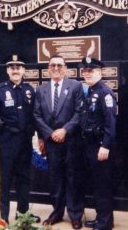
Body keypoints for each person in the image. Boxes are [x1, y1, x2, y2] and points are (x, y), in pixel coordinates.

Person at [0, 54, 40, 227]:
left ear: (23, 70)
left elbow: (35, 116)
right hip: (6, 140)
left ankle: (23, 214)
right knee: (5, 179)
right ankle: (4, 217)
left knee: (24, 178)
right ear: (8, 70)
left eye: (18, 67)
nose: (15, 70)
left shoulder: (30, 90)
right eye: (12, 67)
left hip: (25, 141)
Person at [33, 55, 84, 230]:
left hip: (71, 141)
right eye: (52, 65)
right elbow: (37, 115)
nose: (56, 68)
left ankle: (75, 215)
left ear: (65, 68)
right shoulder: (41, 90)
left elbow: (79, 112)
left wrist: (64, 130)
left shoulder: (75, 86)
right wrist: (48, 134)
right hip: (51, 143)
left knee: (73, 178)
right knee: (55, 179)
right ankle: (56, 212)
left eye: (59, 65)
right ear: (48, 68)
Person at [80, 57, 116, 230]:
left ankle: (105, 222)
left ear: (100, 72)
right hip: (90, 144)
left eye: (91, 71)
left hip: (100, 144)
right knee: (96, 183)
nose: (87, 73)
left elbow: (110, 122)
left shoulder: (105, 92)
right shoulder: (90, 91)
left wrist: (106, 145)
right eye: (85, 71)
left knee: (103, 184)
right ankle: (101, 217)